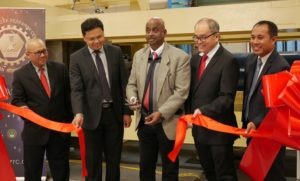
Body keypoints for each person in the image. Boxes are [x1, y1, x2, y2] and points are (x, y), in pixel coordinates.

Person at [126, 17, 191, 181]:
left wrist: (161, 113)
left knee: (170, 169)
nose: (150, 34)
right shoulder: (139, 56)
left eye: (155, 30)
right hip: (145, 121)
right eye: (147, 30)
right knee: (145, 168)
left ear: (164, 32)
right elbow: (131, 84)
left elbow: (181, 92)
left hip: (167, 122)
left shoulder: (180, 57)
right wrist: (132, 97)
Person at [69, 17, 132, 181]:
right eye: (92, 39)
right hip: (90, 117)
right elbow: (76, 89)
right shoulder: (76, 58)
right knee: (93, 160)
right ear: (84, 38)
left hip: (114, 114)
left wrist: (127, 111)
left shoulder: (115, 52)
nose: (97, 41)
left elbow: (123, 83)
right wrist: (78, 113)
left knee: (114, 158)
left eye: (99, 36)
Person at [185, 18, 239, 181]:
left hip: (219, 132)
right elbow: (191, 92)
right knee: (208, 173)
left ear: (217, 36)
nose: (198, 41)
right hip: (199, 131)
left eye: (203, 37)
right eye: (196, 37)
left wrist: (203, 111)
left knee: (225, 175)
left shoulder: (228, 60)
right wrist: (188, 115)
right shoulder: (195, 59)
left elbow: (227, 97)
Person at [11, 38, 72, 181]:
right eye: (38, 52)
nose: (43, 55)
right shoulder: (20, 74)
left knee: (61, 171)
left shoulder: (60, 68)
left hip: (59, 131)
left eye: (44, 51)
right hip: (34, 132)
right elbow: (17, 100)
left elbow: (68, 95)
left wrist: (70, 120)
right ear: (28, 55)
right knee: (32, 172)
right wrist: (24, 109)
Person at [242, 20, 290, 181]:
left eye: (260, 37)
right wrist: (247, 120)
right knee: (256, 173)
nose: (255, 42)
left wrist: (256, 121)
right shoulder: (250, 61)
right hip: (252, 129)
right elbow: (250, 94)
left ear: (274, 40)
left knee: (272, 174)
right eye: (252, 37)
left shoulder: (280, 66)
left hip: (270, 133)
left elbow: (276, 106)